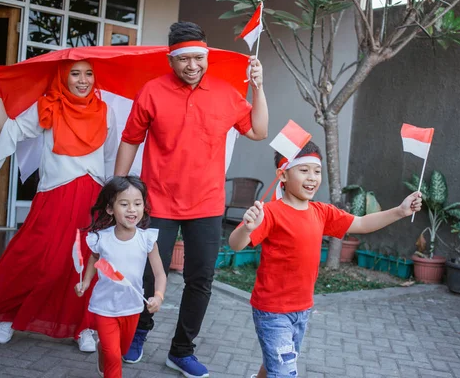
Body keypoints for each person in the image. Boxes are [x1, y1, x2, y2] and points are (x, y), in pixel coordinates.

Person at [113, 21, 269, 377]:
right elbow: (130, 139)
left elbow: (259, 131)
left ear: (207, 57)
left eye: (199, 58)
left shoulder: (227, 94)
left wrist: (258, 87)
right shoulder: (151, 91)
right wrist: (119, 188)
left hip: (207, 204)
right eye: (184, 59)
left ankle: (181, 351)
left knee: (201, 280)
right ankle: (139, 332)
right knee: (152, 275)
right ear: (172, 60)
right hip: (159, 202)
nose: (192, 66)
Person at [0, 60, 118, 353]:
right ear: (63, 76)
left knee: (84, 264)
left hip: (90, 199)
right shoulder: (49, 105)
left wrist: (112, 202)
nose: (83, 80)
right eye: (75, 73)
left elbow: (109, 159)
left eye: (89, 73)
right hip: (53, 196)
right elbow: (8, 130)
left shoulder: (106, 112)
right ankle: (9, 316)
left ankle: (82, 326)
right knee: (33, 258)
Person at [228, 141, 423, 378]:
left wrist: (400, 211)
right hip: (272, 311)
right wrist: (247, 228)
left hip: (302, 309)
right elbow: (235, 244)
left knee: (278, 362)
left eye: (317, 171)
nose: (312, 177)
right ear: (283, 175)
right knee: (284, 370)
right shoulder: (269, 212)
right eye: (304, 170)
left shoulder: (322, 212)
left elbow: (360, 223)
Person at [75, 176, 167, 378]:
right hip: (104, 306)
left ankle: (103, 349)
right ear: (110, 209)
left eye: (137, 203)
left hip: (132, 307)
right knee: (114, 356)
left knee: (122, 350)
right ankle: (107, 355)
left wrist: (158, 296)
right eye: (124, 204)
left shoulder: (147, 239)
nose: (132, 209)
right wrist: (86, 281)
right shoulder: (102, 238)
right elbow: (94, 258)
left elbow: (160, 273)